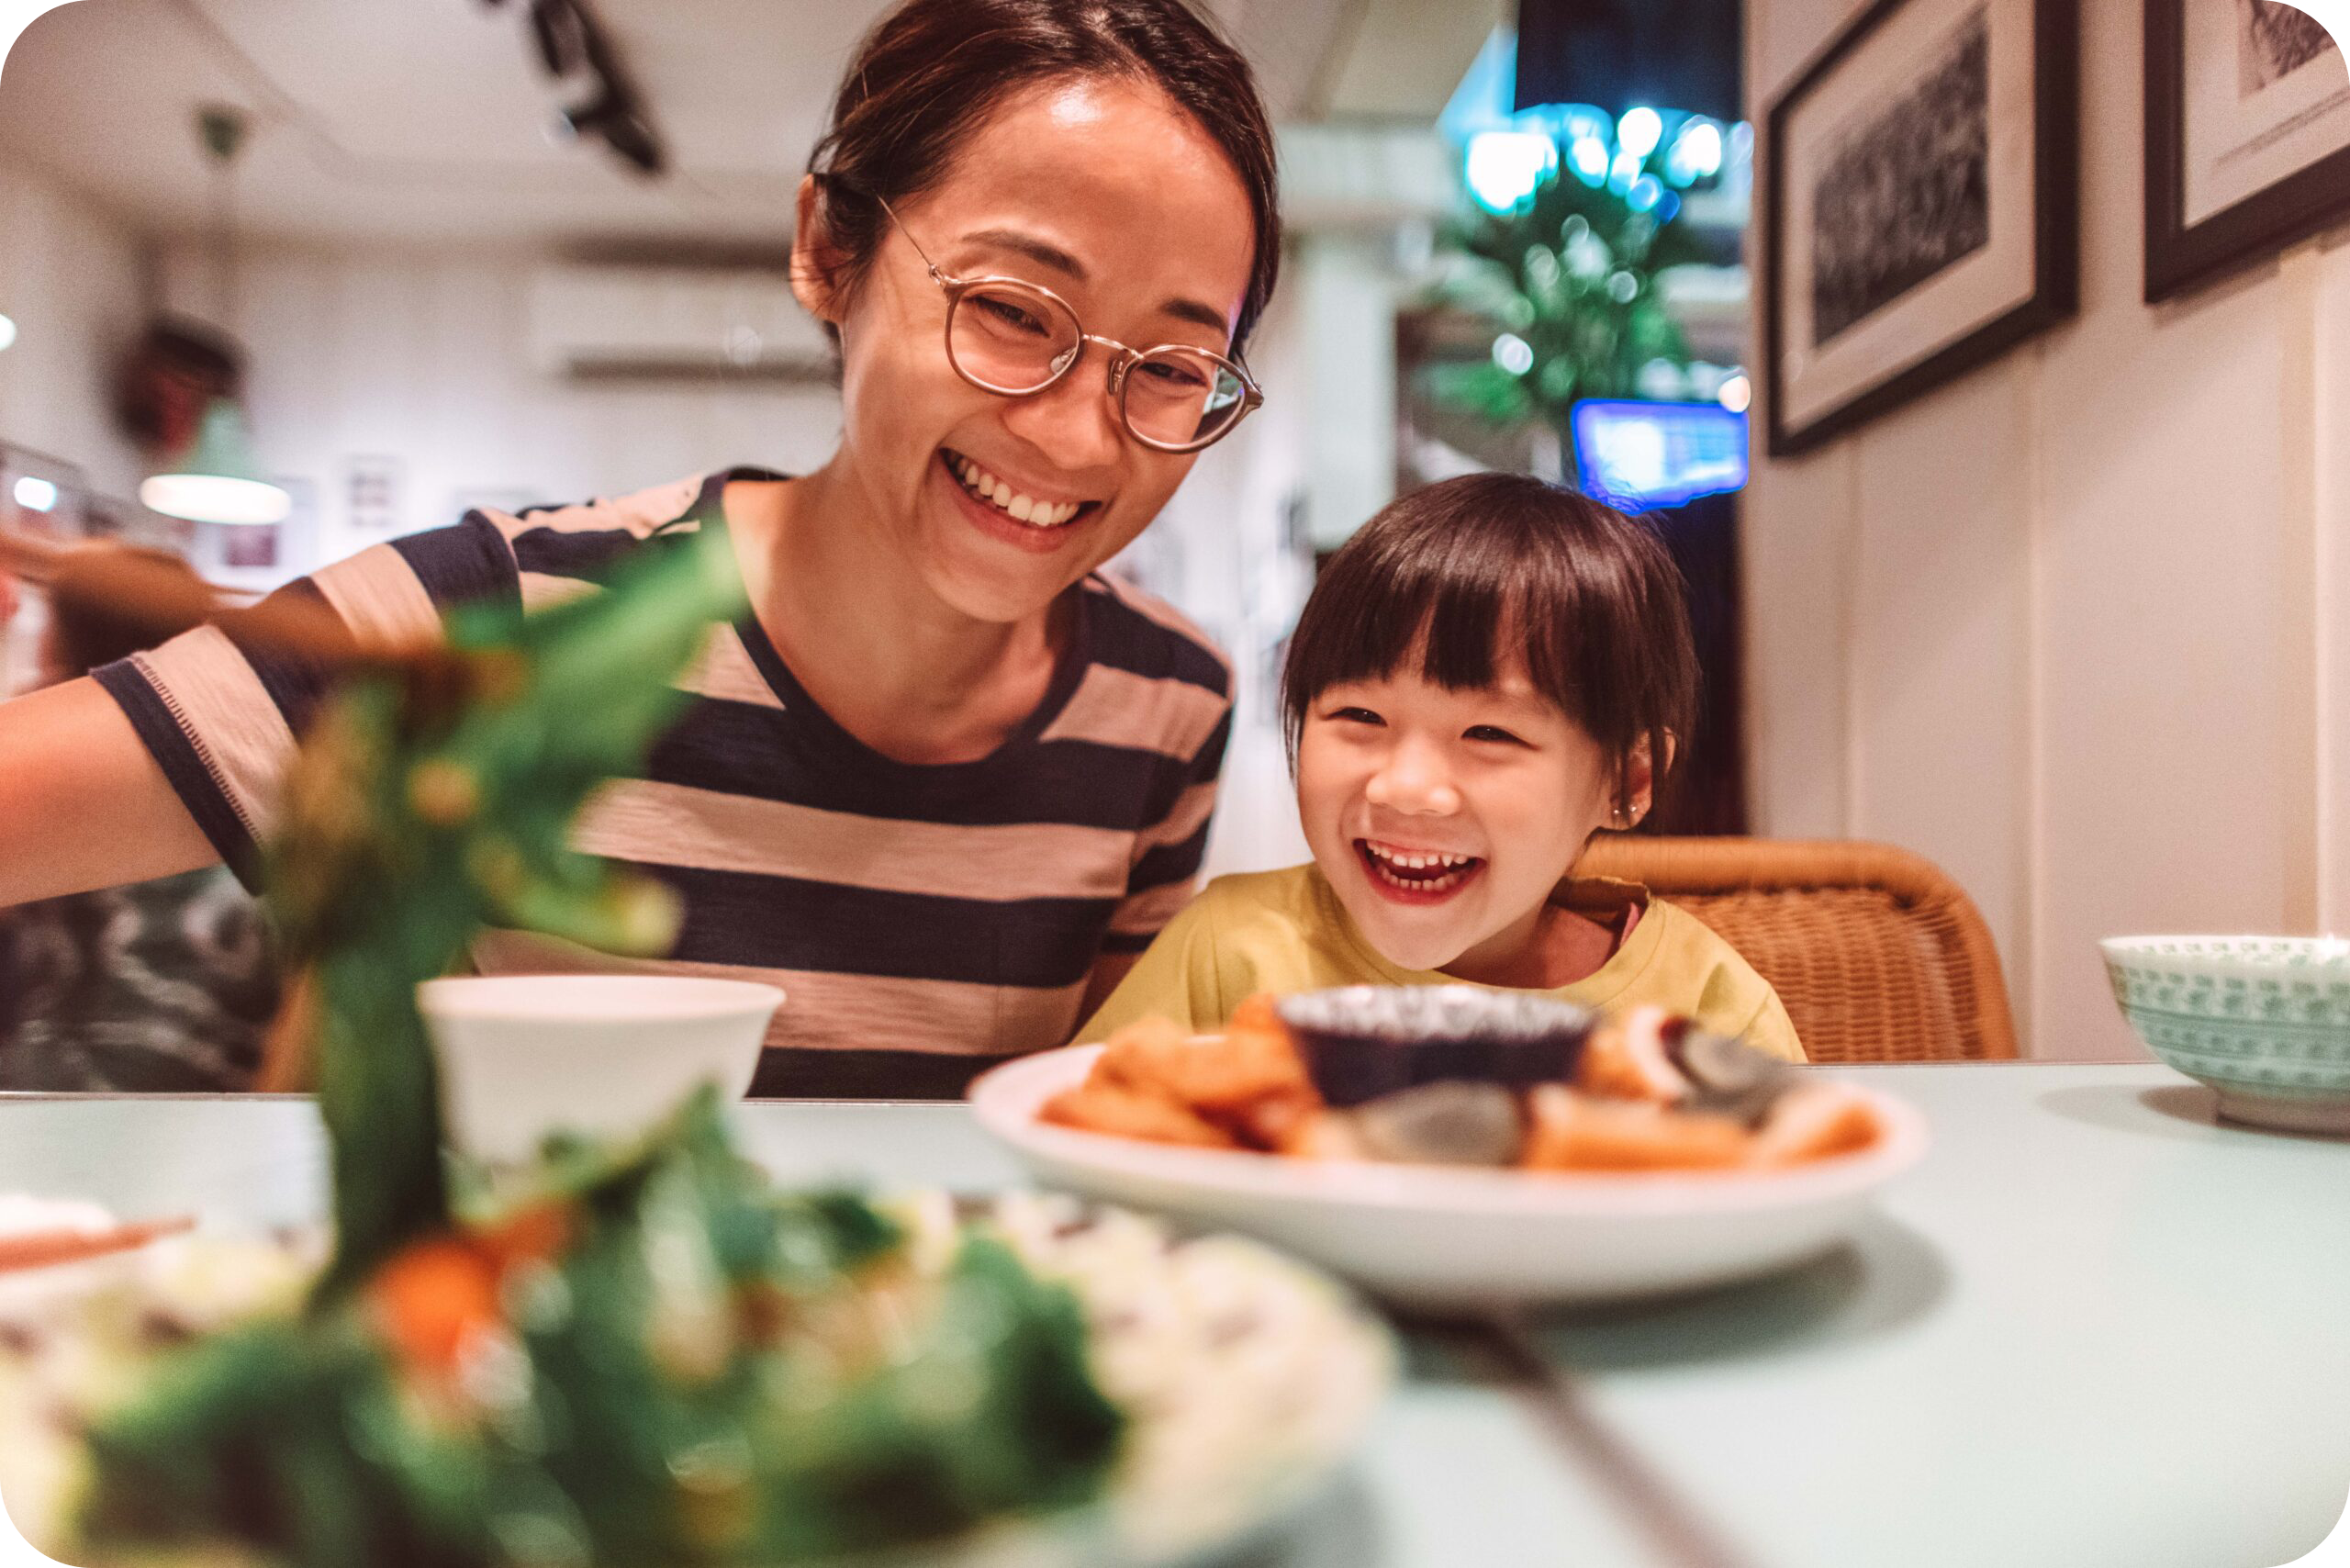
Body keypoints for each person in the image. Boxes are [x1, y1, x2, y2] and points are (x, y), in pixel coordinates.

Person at [0, 0, 1280, 1097]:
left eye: (1172, 369)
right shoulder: (494, 621)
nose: (1075, 439)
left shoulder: (1163, 702)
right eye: (1009, 309)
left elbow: (1090, 1134)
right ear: (828, 251)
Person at [1079, 473, 1804, 1061]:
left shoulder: (1706, 1011)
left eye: (1489, 732)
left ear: (1627, 782)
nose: (1405, 788)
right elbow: (1082, 1148)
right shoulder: (1228, 953)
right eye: (1359, 718)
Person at [0, 545, 281, 1091]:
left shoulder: (54, 774)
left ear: (66, 644)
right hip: (223, 1091)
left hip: (60, 1093)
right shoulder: (255, 775)